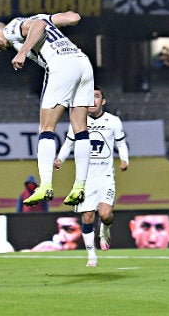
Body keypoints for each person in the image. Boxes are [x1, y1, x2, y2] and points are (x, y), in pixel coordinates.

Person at [0, 11, 93, 208]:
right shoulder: (41, 16)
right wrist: (50, 21)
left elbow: (39, 26)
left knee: (46, 128)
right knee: (80, 128)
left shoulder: (10, 29)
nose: (1, 48)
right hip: (82, 63)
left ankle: (45, 185)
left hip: (61, 65)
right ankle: (80, 186)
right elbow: (74, 17)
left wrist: (22, 51)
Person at [54, 86, 129, 267]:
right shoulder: (78, 121)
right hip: (85, 179)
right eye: (90, 97)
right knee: (87, 216)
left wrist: (125, 160)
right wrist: (59, 159)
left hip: (105, 177)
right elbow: (68, 143)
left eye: (96, 97)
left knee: (105, 215)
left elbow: (121, 143)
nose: (93, 101)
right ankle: (91, 255)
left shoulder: (113, 121)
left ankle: (105, 230)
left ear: (103, 101)